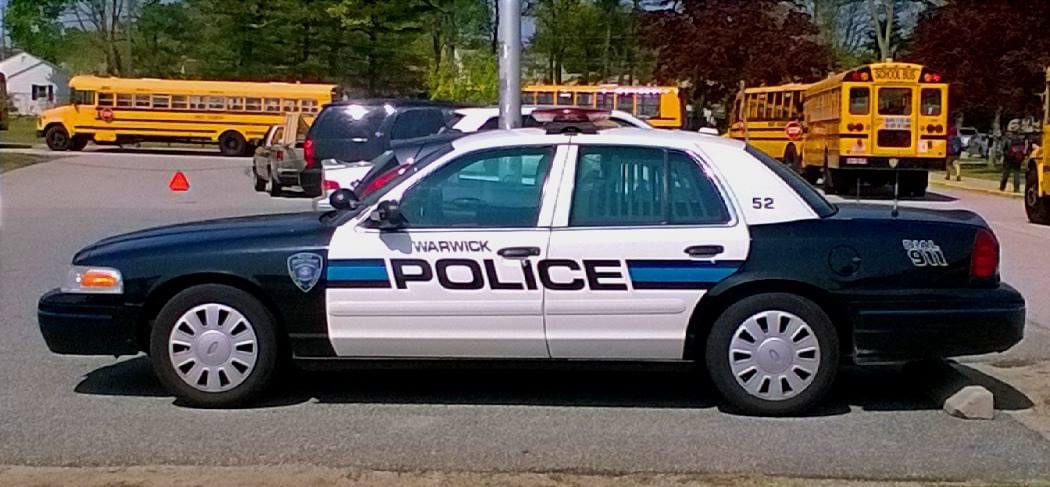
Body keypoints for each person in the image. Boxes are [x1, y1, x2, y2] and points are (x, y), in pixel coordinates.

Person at [1000, 119, 1026, 193]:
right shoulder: (1021, 137)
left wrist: (1003, 154)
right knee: (1017, 173)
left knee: (1006, 172)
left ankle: (1002, 186)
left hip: (1008, 156)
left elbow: (1003, 146)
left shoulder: (1008, 136)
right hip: (1018, 157)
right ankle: (1016, 188)